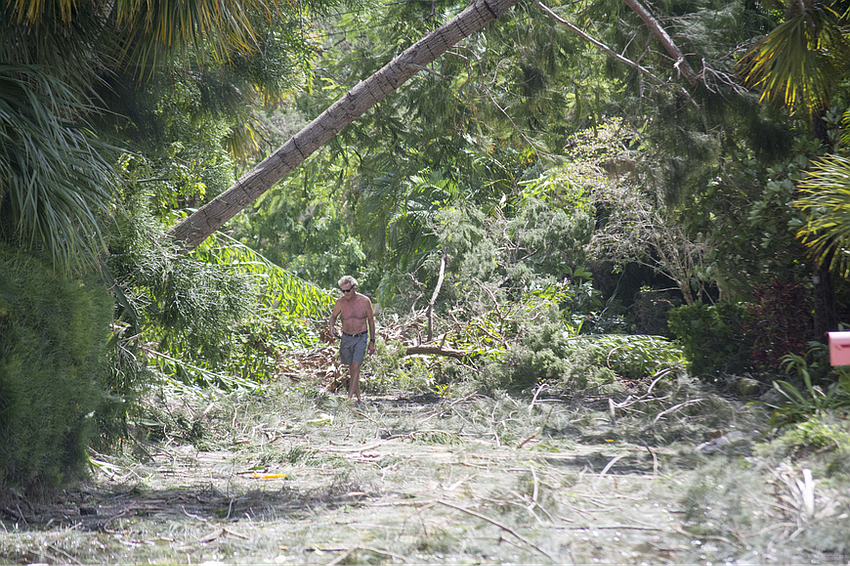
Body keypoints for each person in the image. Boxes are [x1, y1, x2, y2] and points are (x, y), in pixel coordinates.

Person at [327, 275, 376, 403]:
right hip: (346, 337)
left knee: (356, 366)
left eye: (347, 290)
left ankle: (348, 400)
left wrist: (372, 341)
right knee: (352, 369)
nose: (345, 293)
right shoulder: (340, 302)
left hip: (361, 336)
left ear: (354, 288)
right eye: (343, 291)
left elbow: (371, 321)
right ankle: (359, 399)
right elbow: (333, 317)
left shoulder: (364, 301)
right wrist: (331, 327)